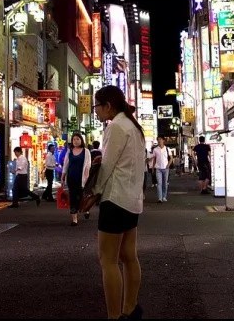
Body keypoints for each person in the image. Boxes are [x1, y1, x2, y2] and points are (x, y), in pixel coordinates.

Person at [91, 85, 146, 319]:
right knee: (128, 256)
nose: (96, 112)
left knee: (108, 260)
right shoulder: (134, 127)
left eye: (97, 107)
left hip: (115, 200)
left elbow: (107, 166)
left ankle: (114, 316)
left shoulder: (116, 127)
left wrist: (93, 192)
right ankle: (130, 308)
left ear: (108, 106)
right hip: (132, 201)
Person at [61, 133, 92, 225]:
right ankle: (74, 219)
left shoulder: (86, 151)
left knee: (81, 196)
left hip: (82, 178)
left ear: (81, 140)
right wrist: (63, 176)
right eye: (74, 139)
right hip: (71, 178)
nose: (75, 141)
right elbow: (66, 164)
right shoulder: (69, 151)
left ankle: (85, 209)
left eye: (77, 139)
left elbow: (88, 165)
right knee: (73, 197)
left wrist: (87, 175)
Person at [151, 137, 172, 203]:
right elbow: (154, 159)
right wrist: (153, 167)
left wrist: (168, 165)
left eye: (160, 139)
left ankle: (164, 196)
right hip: (158, 169)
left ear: (163, 140)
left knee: (165, 183)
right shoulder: (155, 149)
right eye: (158, 140)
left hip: (165, 168)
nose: (159, 141)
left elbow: (171, 158)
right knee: (159, 183)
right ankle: (160, 198)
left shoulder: (167, 149)